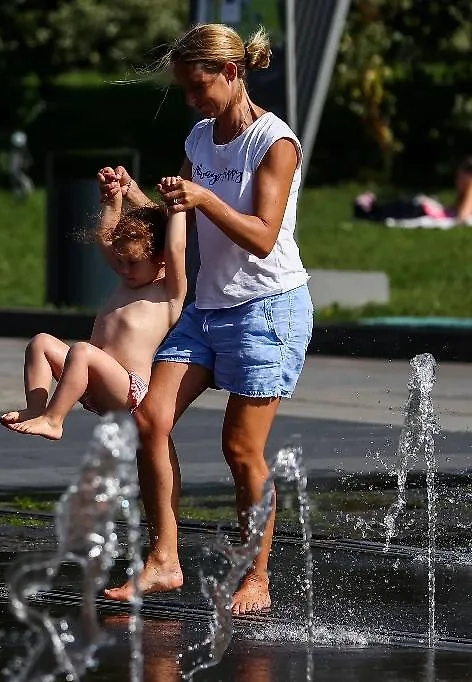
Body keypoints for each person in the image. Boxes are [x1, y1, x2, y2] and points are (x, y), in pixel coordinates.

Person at [102, 23, 314, 615]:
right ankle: (165, 561)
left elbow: (263, 237)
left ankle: (258, 578)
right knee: (150, 418)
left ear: (232, 72)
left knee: (241, 449)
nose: (192, 100)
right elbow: (181, 216)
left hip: (267, 308)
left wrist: (205, 199)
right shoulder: (200, 138)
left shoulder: (274, 142)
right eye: (185, 90)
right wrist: (133, 195)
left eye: (199, 87)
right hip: (209, 306)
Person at [0, 175, 188, 440]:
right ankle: (36, 410)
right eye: (120, 261)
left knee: (82, 350)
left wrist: (177, 207)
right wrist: (113, 200)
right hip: (89, 379)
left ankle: (54, 420)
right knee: (40, 343)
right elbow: (105, 237)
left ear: (160, 259)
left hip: (126, 390)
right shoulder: (128, 279)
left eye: (133, 263)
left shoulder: (168, 293)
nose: (124, 269)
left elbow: (176, 248)